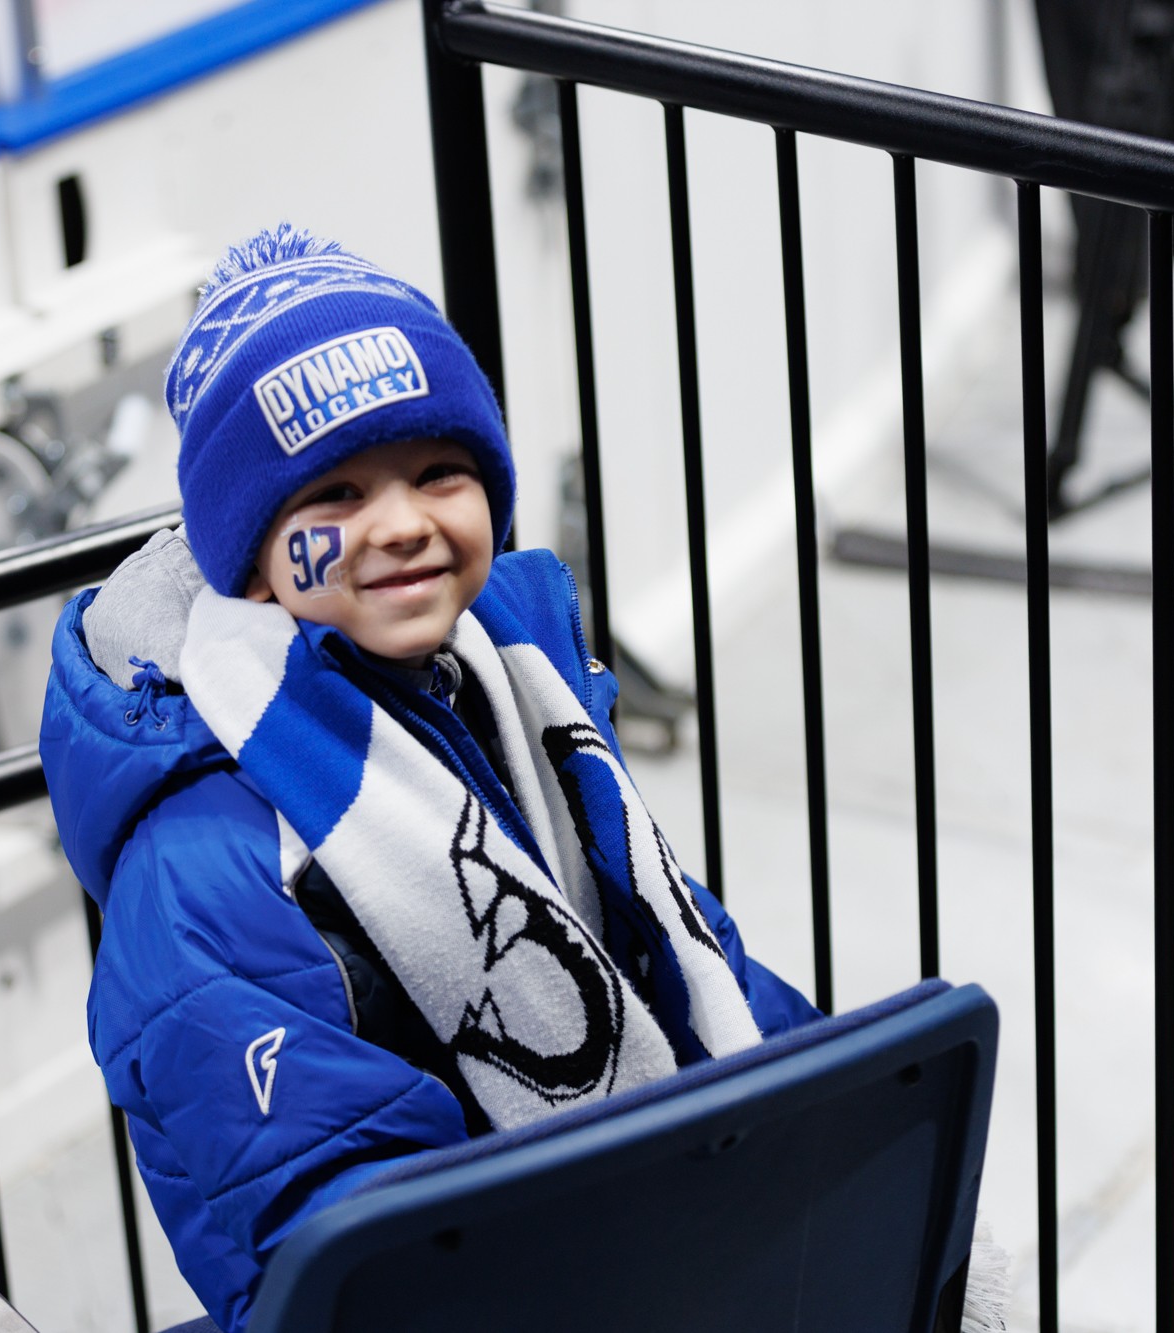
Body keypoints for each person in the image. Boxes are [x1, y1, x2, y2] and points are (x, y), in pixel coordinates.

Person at [40, 224, 817, 1332]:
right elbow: (337, 1228)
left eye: (438, 472)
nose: (401, 524)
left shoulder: (522, 697)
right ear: (251, 556)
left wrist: (832, 1127)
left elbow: (693, 968)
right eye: (335, 494)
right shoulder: (207, 865)